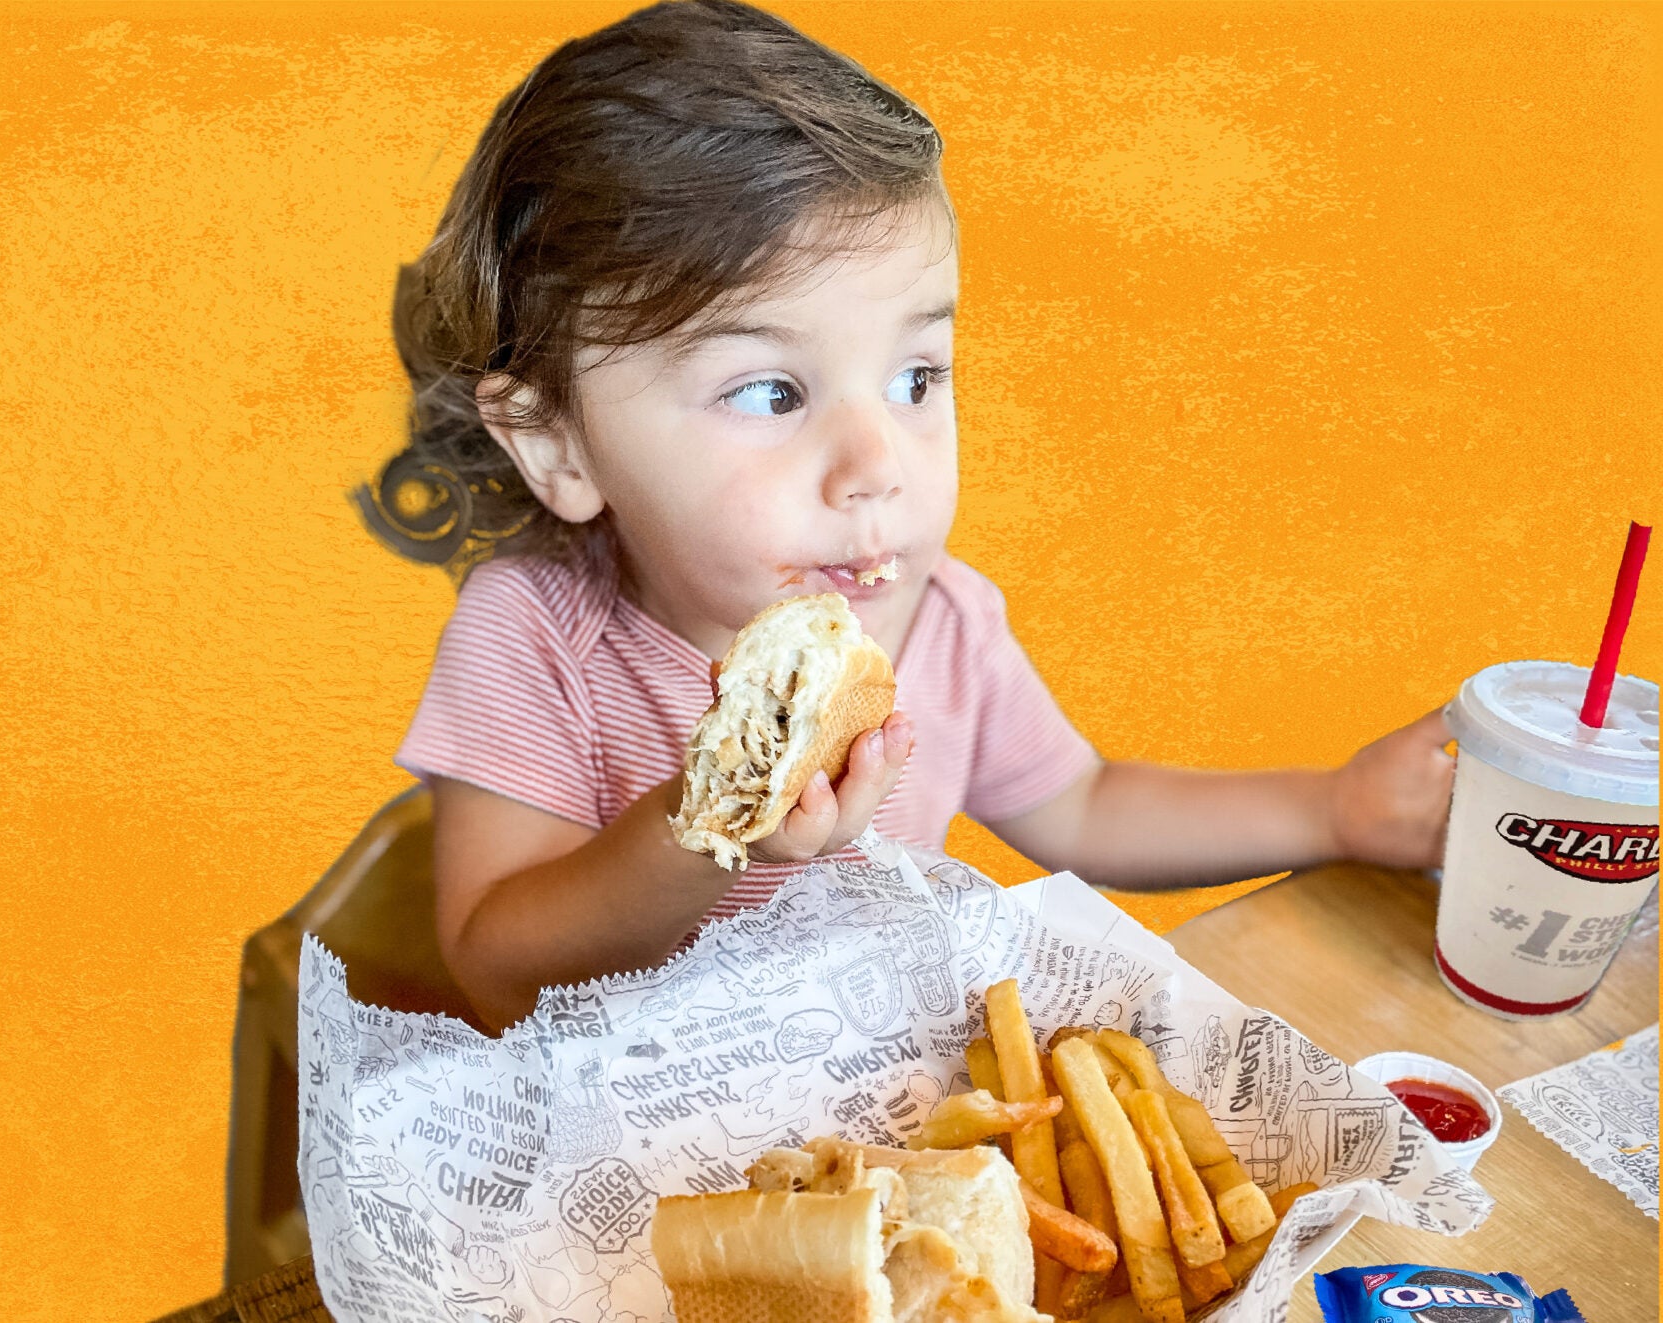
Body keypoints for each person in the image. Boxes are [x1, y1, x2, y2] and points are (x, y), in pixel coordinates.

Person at [358, 0, 1454, 1030]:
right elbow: (494, 957)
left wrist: (1334, 810)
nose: (876, 465)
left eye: (916, 378)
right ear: (558, 444)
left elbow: (1083, 806)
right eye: (771, 393)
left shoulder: (941, 622)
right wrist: (712, 824)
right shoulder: (537, 636)